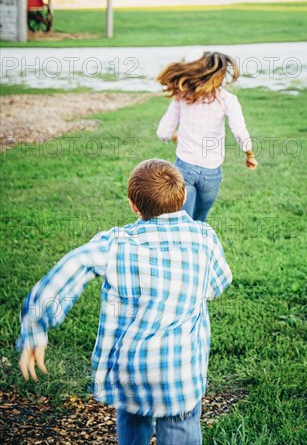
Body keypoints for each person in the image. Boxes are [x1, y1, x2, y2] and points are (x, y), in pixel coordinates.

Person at [17, 159, 232, 445]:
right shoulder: (204, 238)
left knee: (132, 417)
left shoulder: (115, 243)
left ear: (133, 204)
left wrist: (35, 327)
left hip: (131, 371)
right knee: (181, 425)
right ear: (182, 198)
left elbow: (71, 268)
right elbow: (218, 283)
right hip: (180, 374)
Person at [156, 50, 258, 222]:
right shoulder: (228, 100)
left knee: (182, 219)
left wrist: (175, 136)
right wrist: (250, 155)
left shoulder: (183, 96)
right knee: (200, 219)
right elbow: (240, 132)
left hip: (184, 168)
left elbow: (163, 132)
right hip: (211, 172)